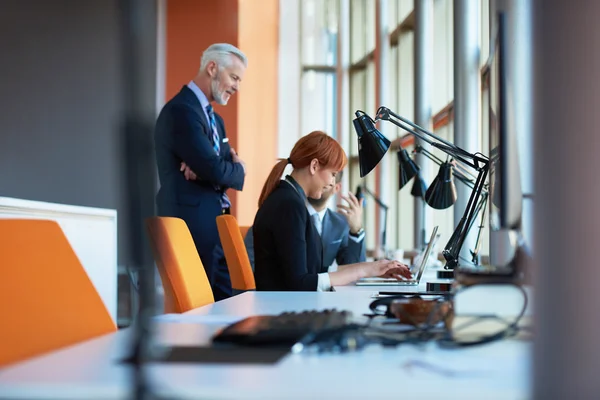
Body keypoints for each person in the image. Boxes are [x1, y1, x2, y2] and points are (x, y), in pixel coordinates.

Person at [252, 131, 411, 291]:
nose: (332, 183)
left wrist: (371, 269)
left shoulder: (288, 199)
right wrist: (365, 269)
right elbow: (299, 283)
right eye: (333, 174)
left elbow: (312, 272)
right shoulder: (290, 206)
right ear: (314, 166)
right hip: (283, 309)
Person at [154, 43, 247, 301]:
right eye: (234, 77)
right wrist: (221, 169)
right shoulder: (181, 111)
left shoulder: (216, 120)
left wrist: (227, 169)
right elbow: (218, 170)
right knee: (199, 312)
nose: (237, 87)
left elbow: (227, 171)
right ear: (212, 68)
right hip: (191, 226)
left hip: (216, 226)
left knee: (228, 306)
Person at [244, 170, 366, 272]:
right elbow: (250, 266)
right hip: (282, 295)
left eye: (334, 176)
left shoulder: (341, 224)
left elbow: (351, 270)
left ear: (336, 187)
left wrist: (356, 231)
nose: (329, 182)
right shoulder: (283, 212)